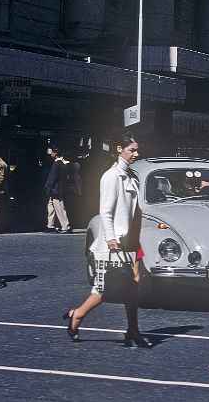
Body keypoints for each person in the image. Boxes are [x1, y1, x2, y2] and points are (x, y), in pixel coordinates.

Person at [63, 135, 151, 348]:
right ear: (119, 149)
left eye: (136, 150)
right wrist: (111, 238)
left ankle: (133, 330)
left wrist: (136, 241)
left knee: (132, 286)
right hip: (113, 243)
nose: (136, 154)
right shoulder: (111, 176)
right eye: (132, 150)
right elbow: (106, 211)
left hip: (129, 241)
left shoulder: (130, 175)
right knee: (104, 288)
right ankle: (77, 315)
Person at [43, 146, 72, 234]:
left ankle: (65, 226)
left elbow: (52, 178)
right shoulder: (62, 163)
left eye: (52, 152)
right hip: (57, 189)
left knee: (59, 207)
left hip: (55, 190)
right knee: (51, 206)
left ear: (55, 153)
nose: (50, 153)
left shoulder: (57, 163)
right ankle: (50, 225)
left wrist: (48, 187)